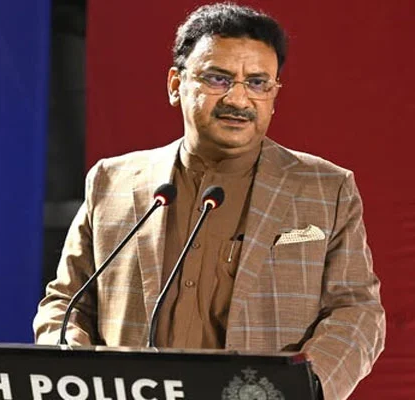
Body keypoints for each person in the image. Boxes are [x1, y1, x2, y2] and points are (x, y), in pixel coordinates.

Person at [34, 3, 385, 399]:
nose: (239, 99)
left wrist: (304, 388)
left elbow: (356, 311)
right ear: (175, 84)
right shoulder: (111, 182)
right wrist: (74, 369)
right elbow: (66, 302)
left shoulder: (325, 189)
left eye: (258, 83)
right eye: (219, 79)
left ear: (274, 94)